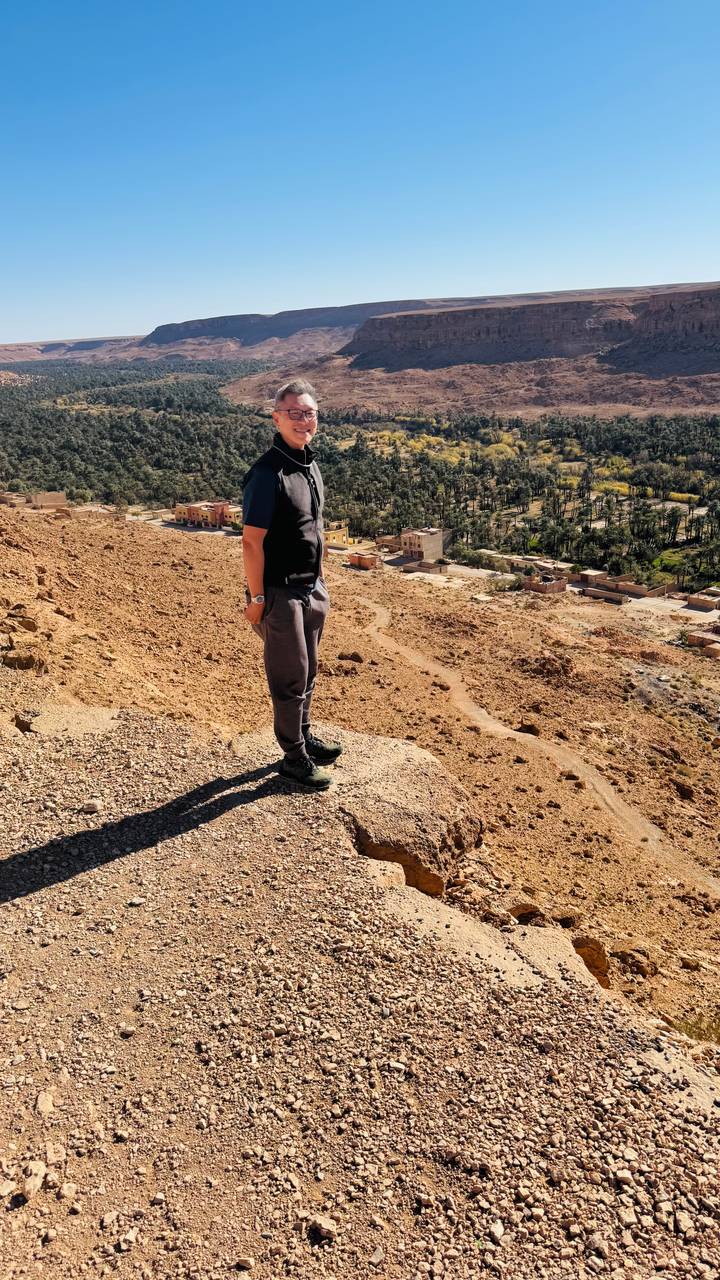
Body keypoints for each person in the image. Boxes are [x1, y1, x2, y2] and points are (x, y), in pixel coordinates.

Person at [242, 378, 342, 790]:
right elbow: (251, 541)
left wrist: (320, 582)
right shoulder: (267, 474)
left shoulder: (308, 463)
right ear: (276, 418)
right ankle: (293, 758)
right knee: (289, 678)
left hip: (311, 588)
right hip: (281, 593)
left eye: (310, 413)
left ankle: (303, 736)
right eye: (295, 414)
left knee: (309, 671)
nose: (304, 421)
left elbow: (310, 528)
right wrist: (256, 597)